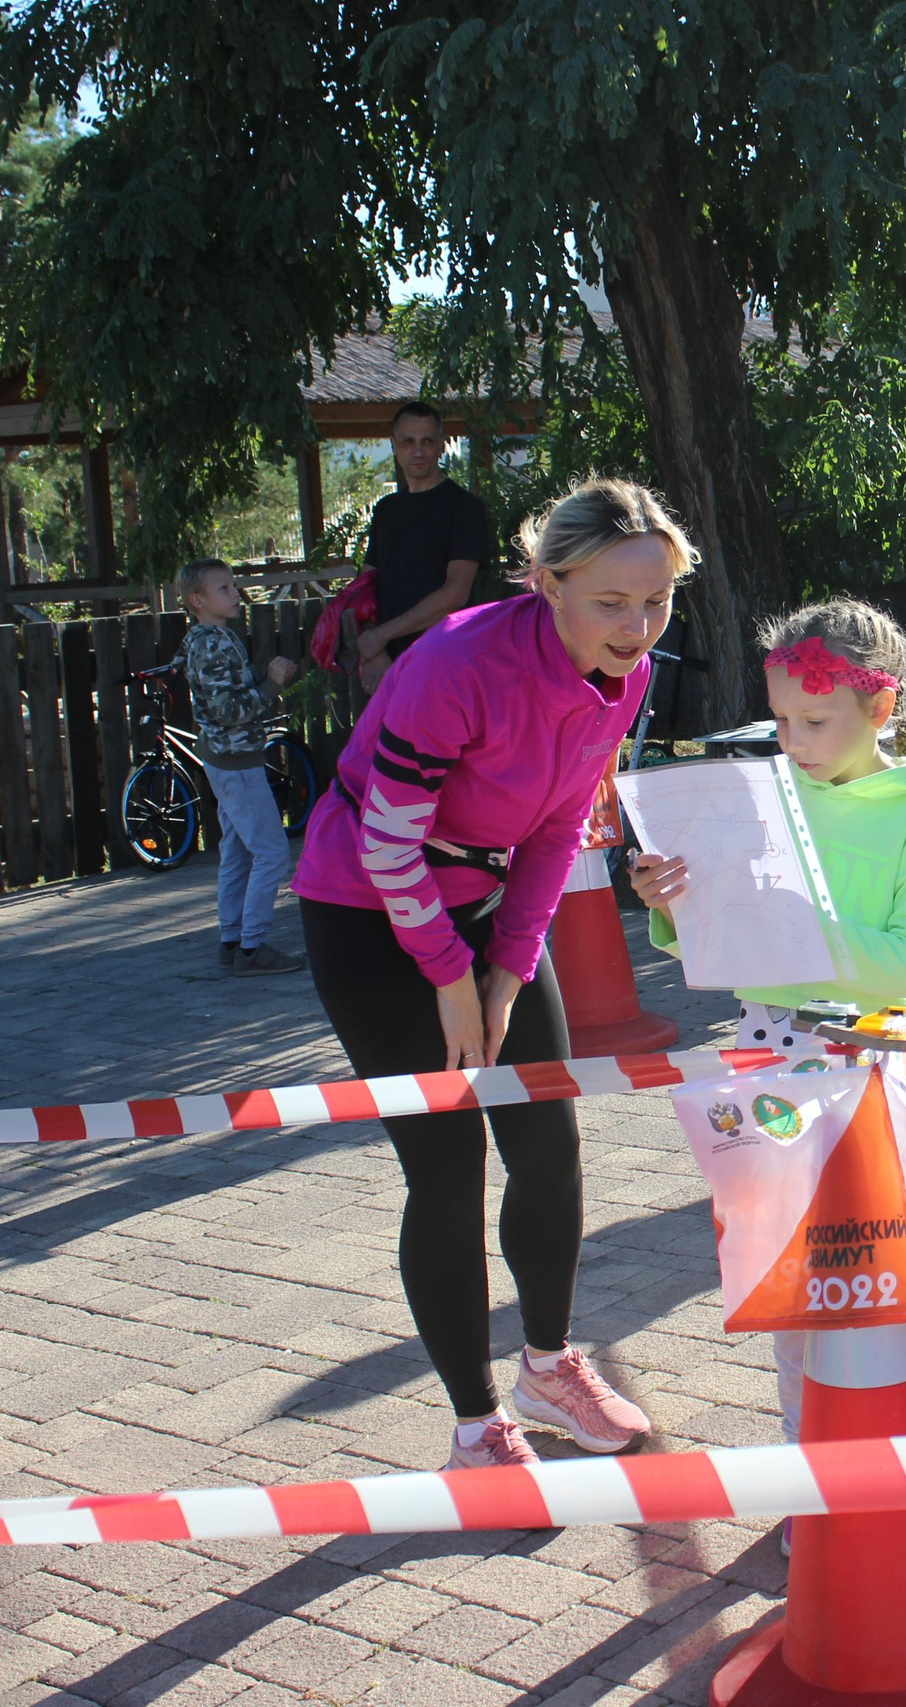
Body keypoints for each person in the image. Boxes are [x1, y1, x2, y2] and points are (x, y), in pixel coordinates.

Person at [291, 477, 687, 1470]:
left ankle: (549, 1370)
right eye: (611, 601)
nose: (637, 626)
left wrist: (507, 970)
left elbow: (560, 827)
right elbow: (388, 844)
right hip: (366, 910)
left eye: (657, 600)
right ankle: (476, 1428)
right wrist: (449, 976)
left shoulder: (624, 670)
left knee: (548, 1144)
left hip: (480, 904)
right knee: (447, 1168)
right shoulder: (459, 662)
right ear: (546, 583)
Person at [629, 597, 906, 1547]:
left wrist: (783, 930)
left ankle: (902, 1461)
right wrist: (671, 898)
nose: (794, 739)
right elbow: (714, 939)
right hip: (768, 1053)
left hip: (874, 1066)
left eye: (815, 720)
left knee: (880, 1259)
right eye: (780, 719)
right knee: (790, 1278)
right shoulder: (760, 791)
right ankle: (807, 1477)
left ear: (882, 709)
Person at [176, 559, 304, 976]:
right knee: (270, 852)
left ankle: (232, 940)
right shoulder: (211, 643)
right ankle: (253, 948)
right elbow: (229, 709)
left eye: (233, 586)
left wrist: (263, 676)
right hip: (236, 762)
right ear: (198, 600)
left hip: (226, 759)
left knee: (235, 851)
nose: (236, 595)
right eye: (225, 589)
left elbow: (228, 690)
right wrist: (271, 683)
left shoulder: (211, 638)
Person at [351, 400, 494, 692]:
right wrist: (374, 650)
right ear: (393, 445)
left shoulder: (464, 508)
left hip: (445, 660)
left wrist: (380, 637)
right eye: (408, 441)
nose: (418, 450)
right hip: (387, 665)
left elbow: (455, 594)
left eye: (427, 441)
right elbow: (364, 589)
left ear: (441, 444)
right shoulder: (386, 509)